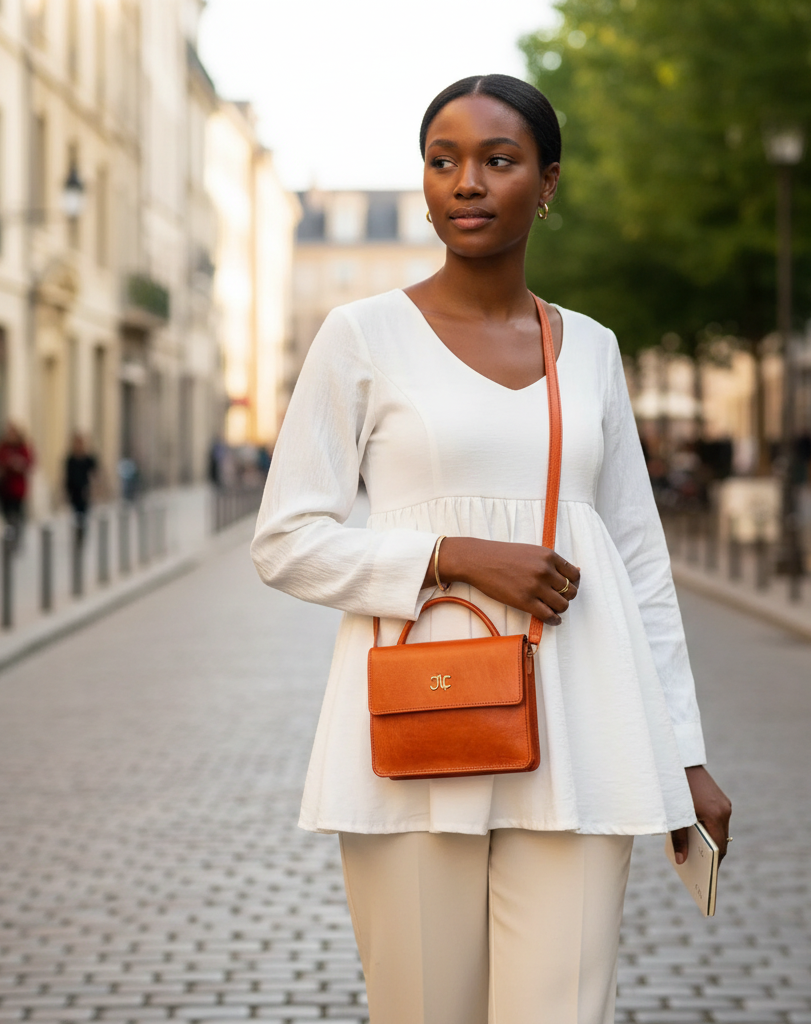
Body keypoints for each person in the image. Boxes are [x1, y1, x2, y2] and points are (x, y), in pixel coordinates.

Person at [251, 75, 731, 1024]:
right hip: (417, 730)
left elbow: (640, 564)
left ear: (546, 183)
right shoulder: (360, 336)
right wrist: (452, 556)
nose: (466, 181)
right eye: (444, 161)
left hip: (586, 731)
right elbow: (285, 541)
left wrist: (684, 754)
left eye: (498, 160)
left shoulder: (591, 349)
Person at [0, 423, 34, 546]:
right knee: (6, 516)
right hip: (4, 488)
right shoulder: (2, 447)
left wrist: (19, 464)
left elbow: (29, 464)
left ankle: (17, 539)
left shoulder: (23, 448)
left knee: (17, 515)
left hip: (18, 489)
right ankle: (8, 539)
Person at [64, 433, 98, 539]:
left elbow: (95, 472)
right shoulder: (70, 459)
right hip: (73, 491)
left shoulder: (88, 459)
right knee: (75, 514)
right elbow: (67, 476)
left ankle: (81, 534)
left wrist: (95, 489)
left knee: (83, 514)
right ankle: (77, 533)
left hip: (84, 491)